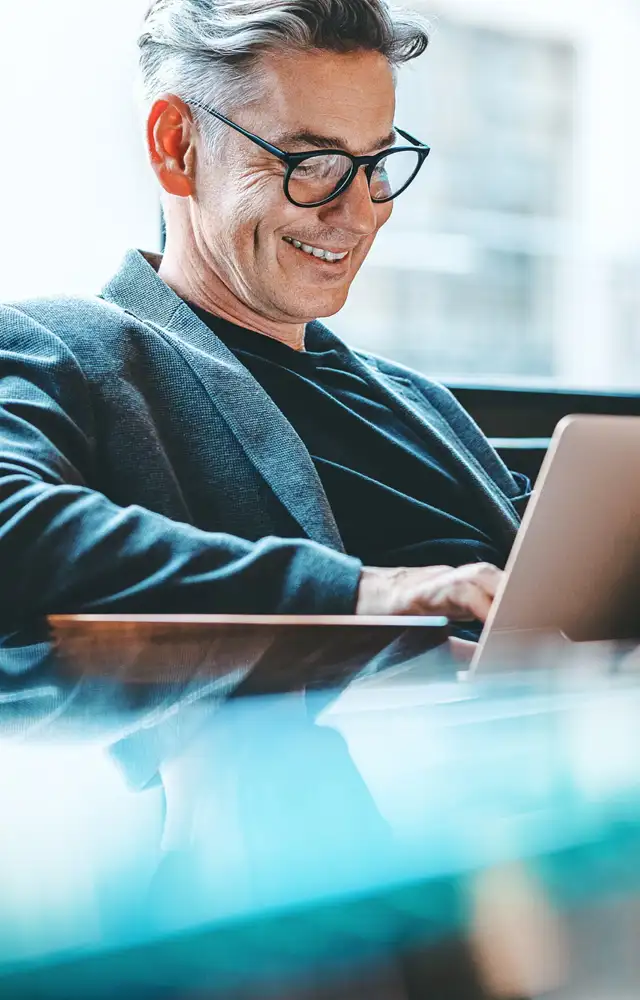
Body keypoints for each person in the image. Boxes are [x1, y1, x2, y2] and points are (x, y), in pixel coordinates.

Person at [0, 0, 530, 636]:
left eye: (375, 165)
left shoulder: (423, 406)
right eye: (312, 164)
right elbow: (14, 529)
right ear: (177, 147)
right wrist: (361, 595)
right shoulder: (60, 349)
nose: (360, 216)